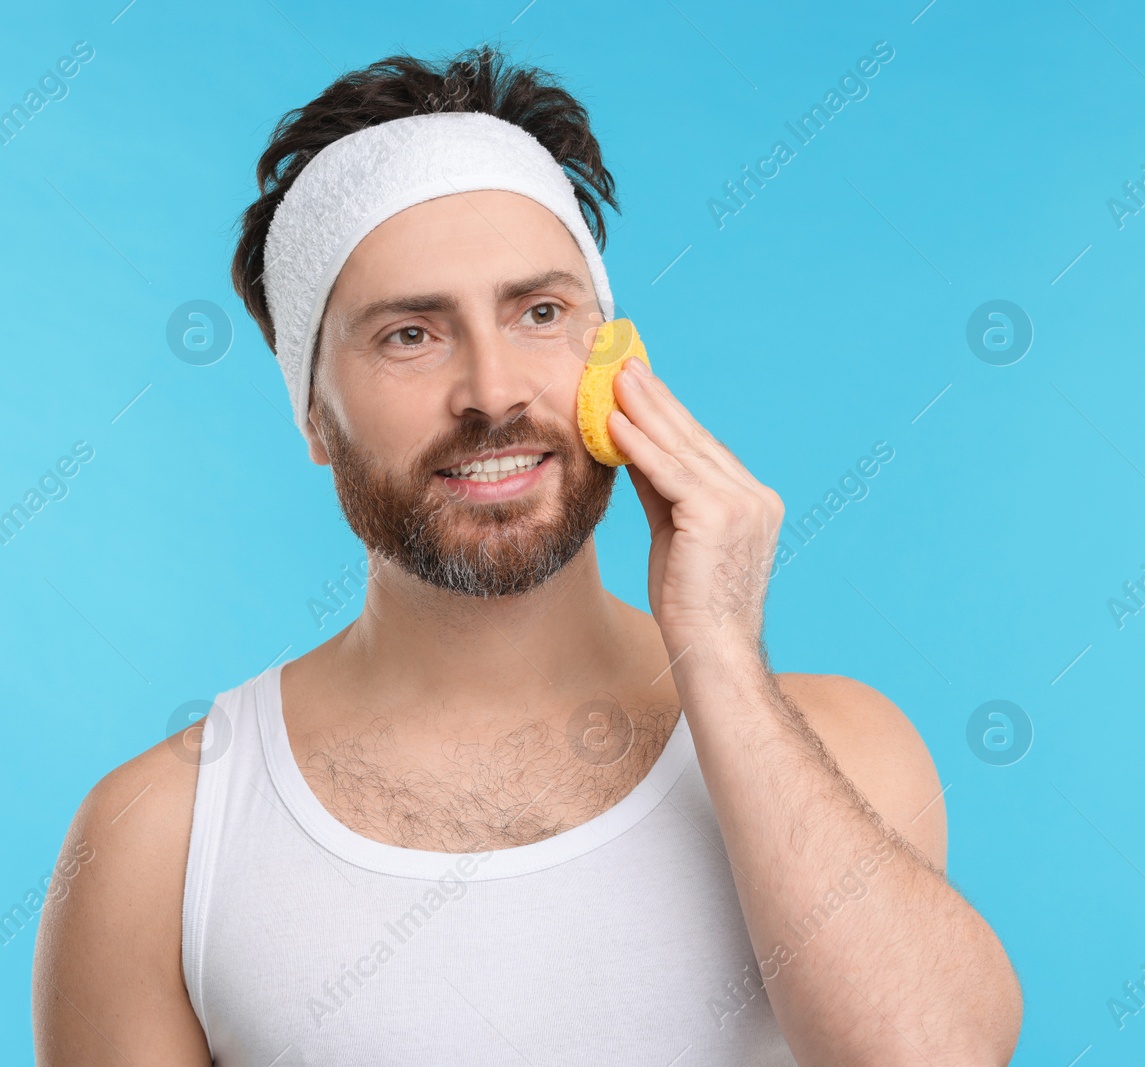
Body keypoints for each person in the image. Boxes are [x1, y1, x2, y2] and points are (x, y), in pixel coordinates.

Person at [32, 47, 1022, 1066]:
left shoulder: (844, 746)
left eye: (540, 312)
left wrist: (717, 651)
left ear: (615, 358)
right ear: (314, 415)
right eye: (410, 333)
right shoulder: (162, 839)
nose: (494, 391)